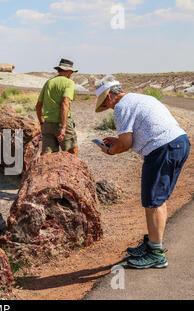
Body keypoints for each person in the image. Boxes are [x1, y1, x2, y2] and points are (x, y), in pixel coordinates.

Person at [94, 75, 190, 269]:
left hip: (161, 149)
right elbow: (131, 136)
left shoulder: (121, 107)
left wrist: (111, 150)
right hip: (179, 143)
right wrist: (117, 141)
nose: (109, 108)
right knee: (158, 199)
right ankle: (152, 244)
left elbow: (126, 143)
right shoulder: (140, 98)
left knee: (153, 201)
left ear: (110, 97)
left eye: (106, 103)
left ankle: (156, 253)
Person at [35, 58, 79, 156]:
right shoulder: (69, 83)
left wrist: (42, 123)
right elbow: (64, 104)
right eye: (71, 71)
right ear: (68, 71)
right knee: (71, 154)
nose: (71, 74)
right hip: (63, 124)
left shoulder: (48, 83)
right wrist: (63, 127)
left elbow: (38, 106)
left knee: (47, 156)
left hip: (48, 124)